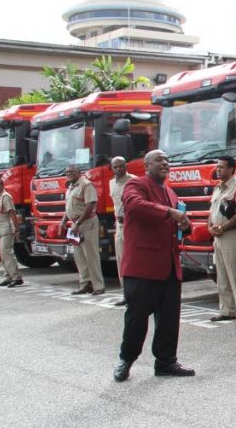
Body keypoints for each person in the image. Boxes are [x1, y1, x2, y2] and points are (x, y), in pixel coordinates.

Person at [112, 150, 194, 382]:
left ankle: (166, 362)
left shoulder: (170, 191)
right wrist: (170, 212)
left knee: (169, 319)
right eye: (159, 160)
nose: (165, 163)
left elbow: (175, 223)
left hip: (169, 265)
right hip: (143, 267)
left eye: (167, 160)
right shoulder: (135, 185)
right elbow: (135, 206)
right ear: (146, 166)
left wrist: (185, 223)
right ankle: (126, 359)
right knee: (137, 319)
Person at [207, 156, 236, 325]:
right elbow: (211, 213)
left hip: (232, 234)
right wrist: (210, 227)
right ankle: (227, 310)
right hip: (218, 236)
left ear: (232, 169)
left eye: (222, 167)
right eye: (217, 167)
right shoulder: (217, 189)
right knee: (222, 275)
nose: (218, 170)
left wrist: (223, 227)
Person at [61, 165, 105, 295]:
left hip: (87, 223)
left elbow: (90, 204)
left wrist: (78, 223)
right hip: (75, 225)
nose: (69, 174)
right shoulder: (70, 186)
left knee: (91, 256)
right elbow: (68, 205)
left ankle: (98, 286)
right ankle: (85, 284)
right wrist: (63, 221)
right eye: (67, 172)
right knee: (79, 257)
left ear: (79, 172)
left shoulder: (86, 184)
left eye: (72, 172)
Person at [108, 157, 132, 307]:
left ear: (126, 166)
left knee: (134, 260)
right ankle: (126, 294)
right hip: (119, 225)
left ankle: (137, 294)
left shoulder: (133, 181)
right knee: (120, 259)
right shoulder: (111, 183)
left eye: (121, 166)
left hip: (132, 224)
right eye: (115, 167)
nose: (118, 169)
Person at [0, 176, 23, 288]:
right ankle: (8, 276)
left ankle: (16, 277)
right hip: (0, 229)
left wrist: (17, 229)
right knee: (3, 254)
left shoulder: (6, 197)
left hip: (6, 228)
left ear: (2, 185)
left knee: (7, 253)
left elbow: (12, 213)